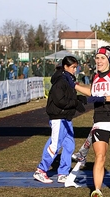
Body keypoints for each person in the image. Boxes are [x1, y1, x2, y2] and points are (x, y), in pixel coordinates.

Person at [74, 46, 110, 197]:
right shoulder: (95, 76)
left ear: (108, 60)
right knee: (99, 156)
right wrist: (75, 85)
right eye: (97, 58)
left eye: (102, 58)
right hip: (100, 119)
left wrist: (102, 98)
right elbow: (92, 93)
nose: (99, 61)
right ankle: (97, 191)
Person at [33, 56, 87, 184]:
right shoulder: (61, 81)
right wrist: (75, 103)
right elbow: (60, 101)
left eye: (76, 67)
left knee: (69, 145)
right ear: (66, 67)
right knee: (55, 144)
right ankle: (41, 170)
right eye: (73, 67)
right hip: (58, 117)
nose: (75, 70)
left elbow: (67, 97)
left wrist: (79, 99)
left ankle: (63, 173)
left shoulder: (68, 80)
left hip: (66, 117)